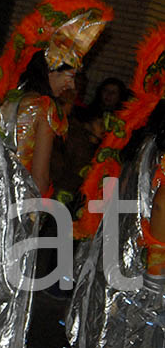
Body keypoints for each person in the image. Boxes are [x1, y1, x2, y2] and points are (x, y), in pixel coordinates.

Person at [0, 0, 112, 348]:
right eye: (67, 73)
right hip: (15, 216)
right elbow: (40, 174)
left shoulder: (8, 99)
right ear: (48, 69)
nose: (72, 83)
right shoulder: (45, 109)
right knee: (0, 296)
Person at [67, 23, 165, 347]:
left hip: (118, 253)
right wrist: (155, 275)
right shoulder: (144, 133)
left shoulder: (141, 129)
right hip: (140, 261)